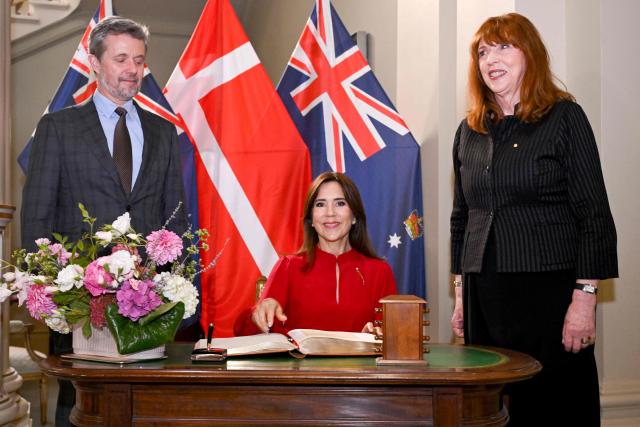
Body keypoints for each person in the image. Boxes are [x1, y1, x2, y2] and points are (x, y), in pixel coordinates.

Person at [449, 13, 617, 427]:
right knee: (494, 409)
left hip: (550, 292)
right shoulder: (468, 132)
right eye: (484, 51)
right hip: (484, 293)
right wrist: (458, 292)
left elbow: (593, 212)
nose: (492, 58)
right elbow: (462, 218)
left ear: (531, 54)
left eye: (504, 46)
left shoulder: (564, 118)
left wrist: (585, 296)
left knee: (552, 406)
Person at [21, 16, 188, 426]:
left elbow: (175, 215)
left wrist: (176, 285)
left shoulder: (163, 132)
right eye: (120, 59)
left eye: (139, 60)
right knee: (77, 404)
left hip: (147, 299)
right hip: (78, 301)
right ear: (94, 62)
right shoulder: (58, 128)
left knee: (144, 403)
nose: (132, 69)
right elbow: (38, 213)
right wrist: (44, 291)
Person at [238, 172, 397, 336]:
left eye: (340, 203)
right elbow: (244, 331)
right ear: (311, 219)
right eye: (320, 204)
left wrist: (374, 337)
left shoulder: (380, 271)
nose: (330, 213)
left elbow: (394, 338)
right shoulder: (288, 266)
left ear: (354, 215)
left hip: (361, 362)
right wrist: (257, 315)